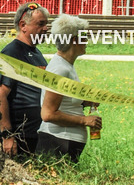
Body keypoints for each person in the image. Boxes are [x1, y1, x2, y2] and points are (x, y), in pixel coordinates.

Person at [35, 15, 102, 162]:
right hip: (57, 141)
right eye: (84, 36)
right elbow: (48, 114)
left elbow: (63, 100)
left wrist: (83, 102)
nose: (87, 40)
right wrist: (85, 121)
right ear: (73, 40)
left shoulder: (66, 65)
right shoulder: (60, 69)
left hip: (64, 140)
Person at [0, 2, 50, 160]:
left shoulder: (36, 53)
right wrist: (7, 135)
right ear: (23, 25)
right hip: (19, 137)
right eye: (41, 24)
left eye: (46, 24)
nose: (46, 28)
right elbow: (1, 94)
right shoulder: (11, 52)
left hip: (36, 134)